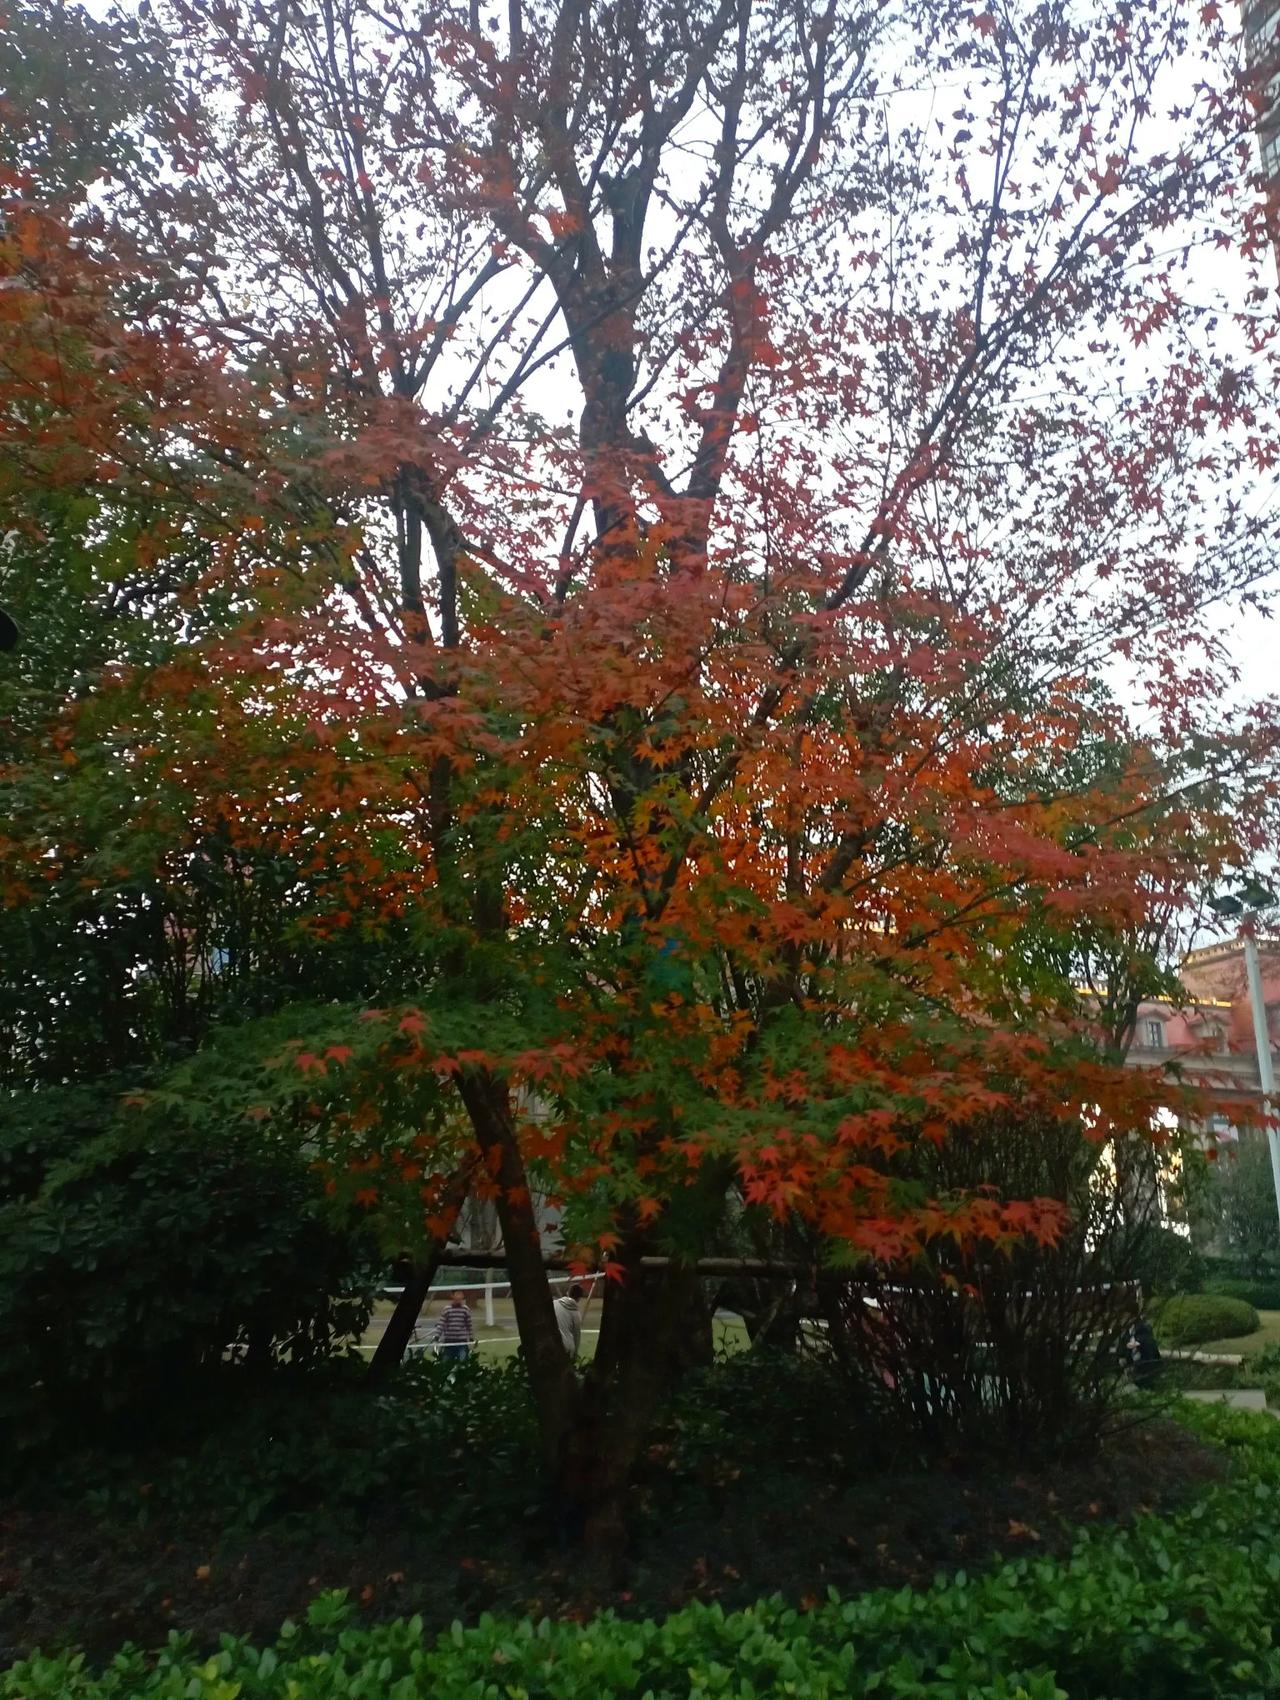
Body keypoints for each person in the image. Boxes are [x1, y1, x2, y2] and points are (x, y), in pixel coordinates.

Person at [432, 1290, 474, 1363]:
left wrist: (471, 1337)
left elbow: (469, 1325)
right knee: (445, 1362)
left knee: (463, 1361)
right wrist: (437, 1336)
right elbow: (441, 1324)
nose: (459, 1296)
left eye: (461, 1294)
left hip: (462, 1342)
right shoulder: (447, 1309)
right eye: (457, 1294)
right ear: (452, 1296)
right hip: (449, 1341)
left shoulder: (465, 1309)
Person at [554, 1283, 585, 1358]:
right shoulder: (576, 1315)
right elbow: (576, 1336)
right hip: (567, 1348)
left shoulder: (554, 1303)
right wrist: (575, 1354)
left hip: (552, 1345)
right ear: (579, 1298)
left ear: (568, 1293)